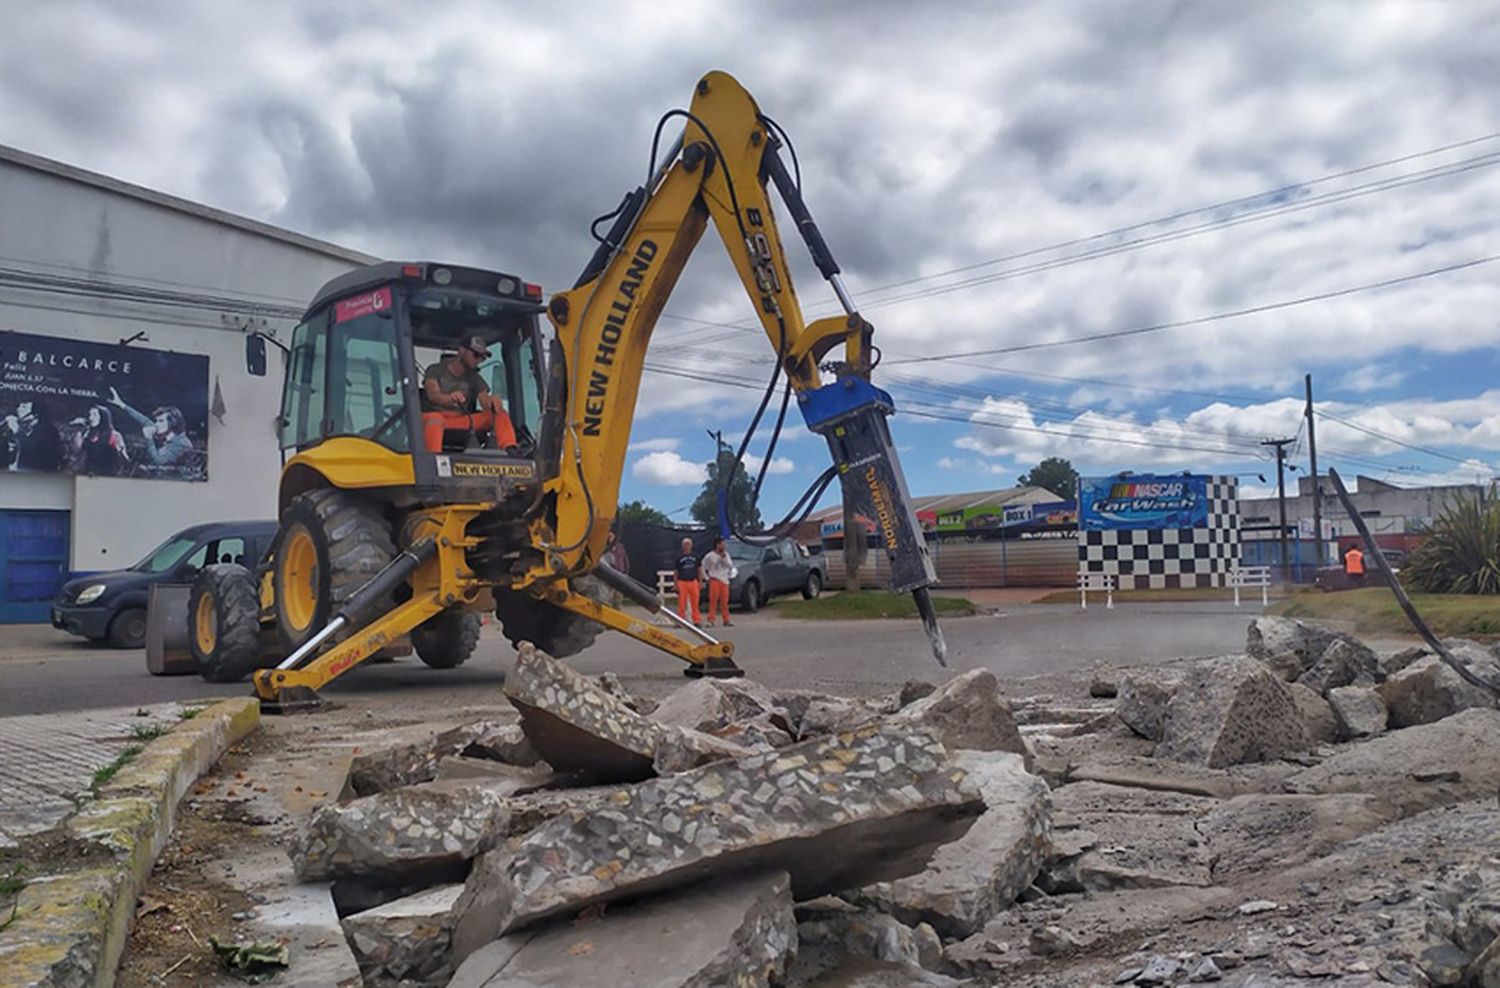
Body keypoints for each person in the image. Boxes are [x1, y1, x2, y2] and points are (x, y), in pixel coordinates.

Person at [420, 335, 517, 453]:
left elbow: (483, 398)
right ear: (461, 351)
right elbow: (433, 395)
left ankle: (510, 450)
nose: (479, 361)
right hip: (436, 417)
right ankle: (433, 457)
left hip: (462, 420)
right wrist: (449, 398)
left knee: (499, 414)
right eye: (476, 355)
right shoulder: (435, 370)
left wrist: (492, 402)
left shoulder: (475, 378)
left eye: (482, 358)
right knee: (434, 419)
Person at [107, 388, 193, 468]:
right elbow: (144, 420)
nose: (156, 424)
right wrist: (121, 404)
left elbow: (158, 461)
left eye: (161, 421)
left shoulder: (182, 444)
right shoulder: (168, 434)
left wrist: (149, 438)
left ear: (173, 423)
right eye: (156, 421)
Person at [3, 400, 63, 472]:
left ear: (35, 414)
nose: (18, 409)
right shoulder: (24, 428)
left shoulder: (47, 431)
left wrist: (16, 431)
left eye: (24, 407)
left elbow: (33, 450)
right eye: (19, 406)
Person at [72, 404, 128, 476]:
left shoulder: (114, 435)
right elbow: (76, 450)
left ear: (103, 417)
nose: (90, 418)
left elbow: (125, 460)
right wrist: (79, 431)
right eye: (90, 415)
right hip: (88, 473)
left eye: (94, 415)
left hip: (107, 474)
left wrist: (121, 452)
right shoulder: (87, 433)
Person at [702, 536, 737, 628]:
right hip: (714, 579)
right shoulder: (709, 556)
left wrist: (724, 558)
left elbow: (730, 565)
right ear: (717, 545)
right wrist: (706, 578)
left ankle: (726, 620)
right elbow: (703, 567)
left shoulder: (726, 555)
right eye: (722, 544)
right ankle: (711, 620)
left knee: (724, 602)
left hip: (724, 580)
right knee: (713, 601)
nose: (724, 546)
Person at [674, 537, 702, 625]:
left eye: (688, 544)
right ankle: (680, 621)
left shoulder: (696, 557)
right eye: (685, 544)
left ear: (691, 545)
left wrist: (700, 581)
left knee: (695, 602)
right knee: (682, 603)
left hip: (693, 581)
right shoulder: (679, 557)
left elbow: (699, 569)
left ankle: (696, 620)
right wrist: (675, 583)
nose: (687, 546)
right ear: (682, 546)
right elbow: (676, 571)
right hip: (682, 581)